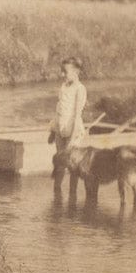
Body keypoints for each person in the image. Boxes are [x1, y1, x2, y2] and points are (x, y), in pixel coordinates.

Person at [49, 57, 87, 188]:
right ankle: (57, 191)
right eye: (61, 71)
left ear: (76, 71)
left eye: (65, 71)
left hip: (73, 130)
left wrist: (72, 139)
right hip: (61, 128)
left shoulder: (80, 89)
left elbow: (77, 115)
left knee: (72, 164)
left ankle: (72, 195)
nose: (62, 74)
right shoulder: (64, 86)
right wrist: (53, 130)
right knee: (59, 161)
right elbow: (59, 109)